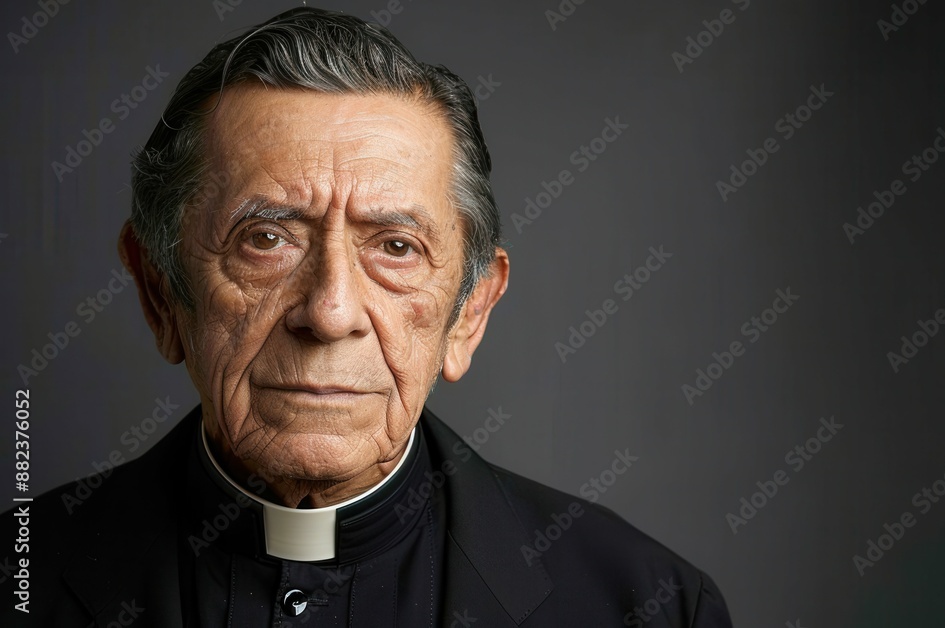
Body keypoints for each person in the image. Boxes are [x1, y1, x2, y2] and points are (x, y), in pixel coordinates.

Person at [4, 8, 732, 626]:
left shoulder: (648, 608)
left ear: (469, 312)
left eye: (395, 247)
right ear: (160, 292)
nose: (330, 312)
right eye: (267, 239)